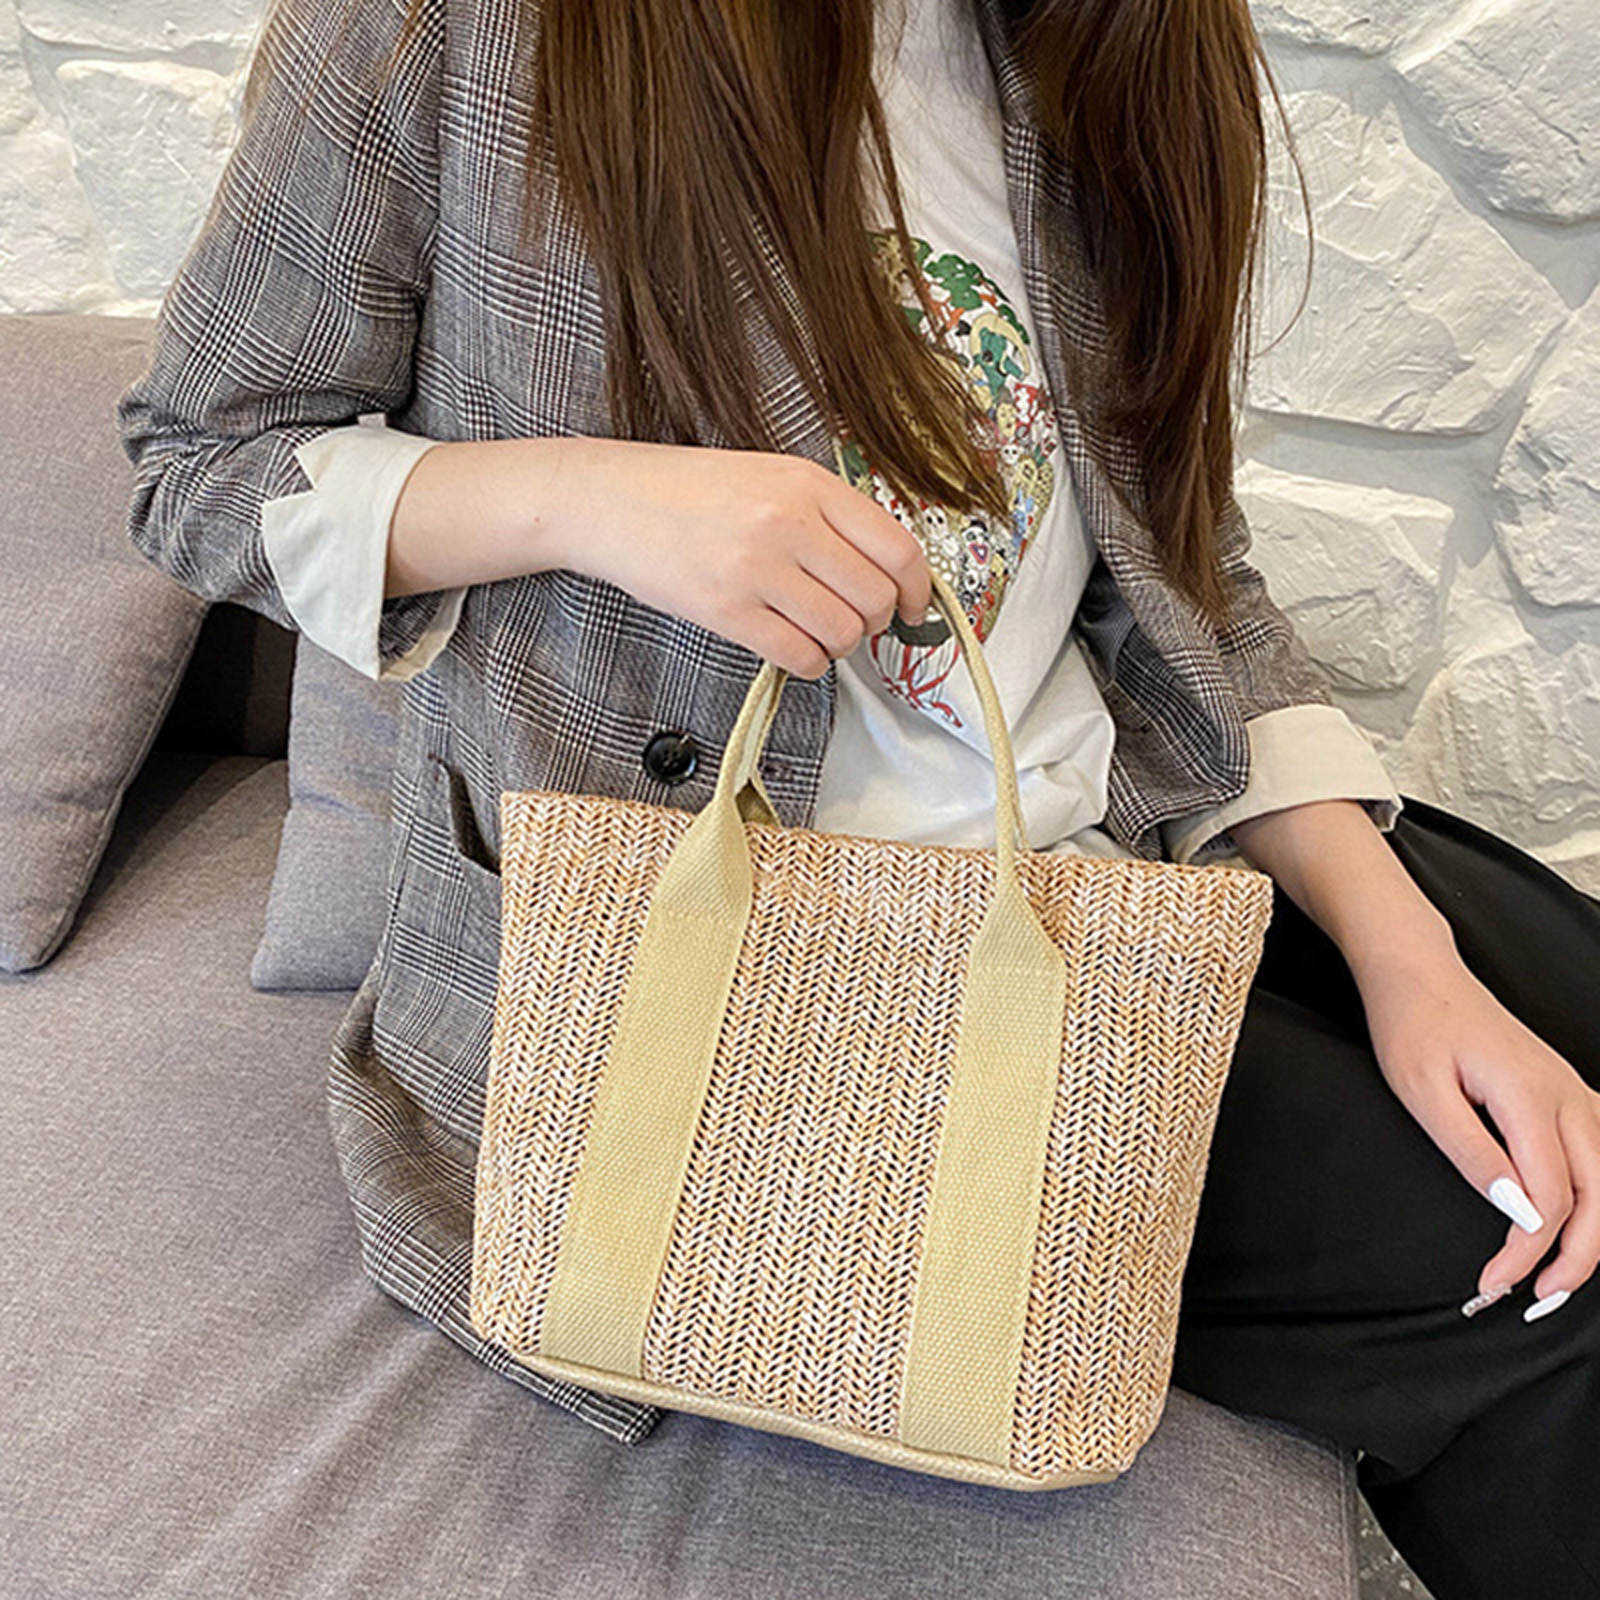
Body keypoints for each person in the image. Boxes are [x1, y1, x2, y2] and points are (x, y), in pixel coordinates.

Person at [118, 0, 1599, 1595]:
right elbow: (201, 468)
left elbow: (1182, 569)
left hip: (1092, 863)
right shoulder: (462, 29)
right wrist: (592, 501)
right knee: (1546, 1292)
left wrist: (1406, 954)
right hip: (750, 993)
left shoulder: (1095, 48)